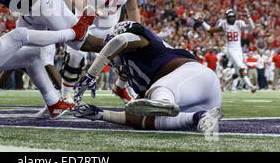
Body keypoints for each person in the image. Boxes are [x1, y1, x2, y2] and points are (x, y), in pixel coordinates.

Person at [73, 21, 222, 133]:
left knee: (157, 93)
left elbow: (120, 41)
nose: (113, 62)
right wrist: (100, 114)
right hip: (200, 99)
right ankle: (200, 117)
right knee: (148, 119)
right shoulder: (138, 77)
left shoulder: (141, 42)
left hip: (192, 76)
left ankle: (163, 101)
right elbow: (134, 117)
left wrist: (91, 74)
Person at [61, 0, 143, 103]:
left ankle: (120, 87)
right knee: (75, 57)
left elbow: (133, 9)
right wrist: (88, 10)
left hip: (110, 28)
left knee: (132, 55)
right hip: (86, 24)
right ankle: (65, 96)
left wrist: (137, 31)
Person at [198, 9, 257, 93]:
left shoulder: (239, 23)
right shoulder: (224, 25)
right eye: (230, 17)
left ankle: (224, 85)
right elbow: (210, 30)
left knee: (237, 73)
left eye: (233, 17)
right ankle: (251, 86)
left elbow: (252, 27)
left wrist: (248, 17)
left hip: (239, 49)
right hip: (230, 49)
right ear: (226, 18)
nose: (232, 19)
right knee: (241, 67)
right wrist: (202, 22)